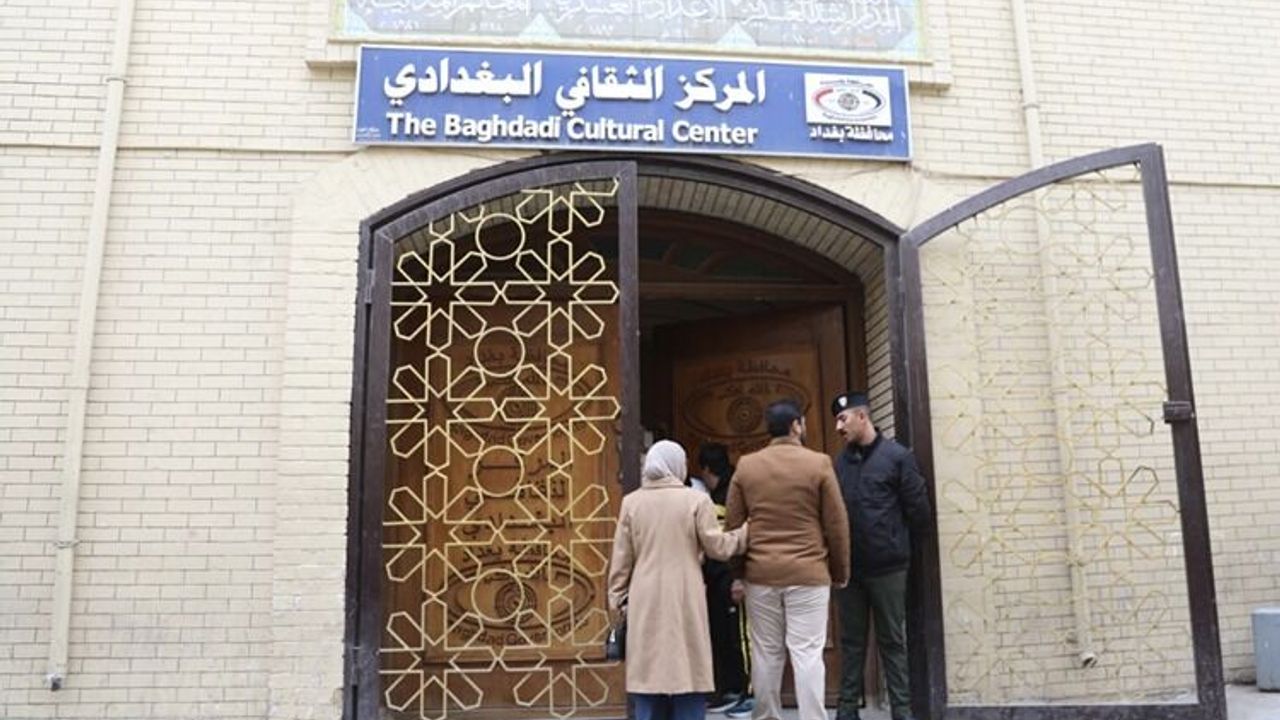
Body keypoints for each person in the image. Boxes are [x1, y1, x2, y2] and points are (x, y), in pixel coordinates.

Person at [724, 400, 850, 720]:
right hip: (809, 572)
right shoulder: (819, 464)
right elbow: (836, 524)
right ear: (796, 425)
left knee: (766, 652)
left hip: (761, 574)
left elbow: (734, 525)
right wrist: (839, 571)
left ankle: (767, 715)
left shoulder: (747, 466)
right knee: (807, 653)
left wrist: (738, 572)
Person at [608, 440, 750, 720]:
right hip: (686, 597)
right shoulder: (696, 500)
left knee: (649, 675)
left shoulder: (632, 503)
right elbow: (718, 548)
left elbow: (621, 561)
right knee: (688, 672)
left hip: (645, 598)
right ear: (676, 465)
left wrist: (617, 602)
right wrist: (745, 532)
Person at [829, 392, 932, 720]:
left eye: (843, 419)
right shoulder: (839, 463)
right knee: (851, 643)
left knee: (892, 642)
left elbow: (919, 511)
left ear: (862, 416)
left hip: (888, 569)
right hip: (850, 571)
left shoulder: (897, 457)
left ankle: (902, 711)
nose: (838, 427)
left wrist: (898, 545)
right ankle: (847, 711)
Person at [696, 443, 752, 716]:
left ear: (707, 469)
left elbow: (737, 536)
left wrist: (739, 577)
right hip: (719, 579)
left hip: (731, 578)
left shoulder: (731, 492)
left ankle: (748, 692)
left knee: (740, 637)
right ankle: (732, 689)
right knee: (724, 636)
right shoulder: (720, 491)